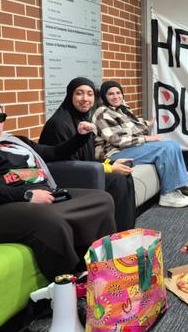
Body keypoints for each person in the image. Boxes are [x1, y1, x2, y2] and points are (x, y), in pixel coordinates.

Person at [0, 96, 116, 281]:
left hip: (33, 196)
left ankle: (101, 269)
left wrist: (80, 136)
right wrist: (26, 195)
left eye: (0, 117)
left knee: (101, 199)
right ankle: (69, 281)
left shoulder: (15, 141)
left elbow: (53, 152)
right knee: (49, 220)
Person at [40, 77, 136, 231]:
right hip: (64, 178)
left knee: (124, 173)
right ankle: (113, 235)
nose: (85, 99)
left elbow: (87, 158)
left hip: (83, 171)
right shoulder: (59, 124)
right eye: (79, 93)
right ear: (70, 95)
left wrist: (110, 164)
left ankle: (124, 232)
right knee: (116, 180)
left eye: (90, 94)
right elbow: (66, 164)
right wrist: (109, 170)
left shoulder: (84, 120)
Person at [92, 80, 188, 208]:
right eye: (110, 94)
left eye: (118, 93)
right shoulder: (102, 113)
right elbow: (117, 140)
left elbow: (133, 126)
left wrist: (148, 123)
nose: (116, 96)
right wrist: (147, 139)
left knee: (173, 144)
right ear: (104, 96)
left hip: (128, 148)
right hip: (113, 156)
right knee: (166, 148)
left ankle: (175, 188)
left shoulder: (121, 109)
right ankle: (168, 194)